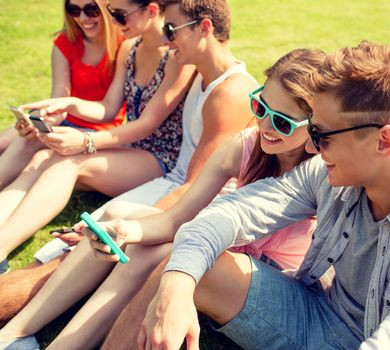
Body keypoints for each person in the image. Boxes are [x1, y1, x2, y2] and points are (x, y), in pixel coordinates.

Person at [122, 41, 390, 350]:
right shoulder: (329, 174)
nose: (313, 147)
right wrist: (175, 285)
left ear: (385, 141)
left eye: (322, 135)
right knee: (186, 265)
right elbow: (224, 217)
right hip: (315, 316)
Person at [0, 48, 324, 350]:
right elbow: (179, 215)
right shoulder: (248, 145)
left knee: (164, 249)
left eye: (282, 121)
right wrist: (123, 230)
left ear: (314, 127)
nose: (265, 125)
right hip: (221, 248)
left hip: (267, 281)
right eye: (260, 106)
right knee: (119, 215)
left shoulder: (324, 171)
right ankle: (15, 333)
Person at [0, 0, 258, 333]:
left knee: (94, 235)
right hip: (171, 179)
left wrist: (132, 225)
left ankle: (19, 328)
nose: (167, 39)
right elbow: (116, 112)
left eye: (171, 29)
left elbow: (193, 185)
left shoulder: (226, 91)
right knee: (78, 226)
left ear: (203, 28)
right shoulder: (193, 67)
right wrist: (70, 106)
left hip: (177, 185)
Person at [0, 0, 196, 273]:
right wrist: (68, 104)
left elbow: (148, 124)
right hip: (133, 147)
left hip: (161, 158)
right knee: (45, 154)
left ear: (152, 10)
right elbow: (108, 108)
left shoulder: (176, 57)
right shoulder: (131, 47)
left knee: (69, 162)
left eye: (118, 15)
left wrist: (85, 142)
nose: (113, 22)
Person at [0, 0, 125, 191]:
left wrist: (68, 106)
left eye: (91, 10)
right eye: (74, 10)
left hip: (100, 133)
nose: (83, 18)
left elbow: (108, 110)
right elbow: (59, 98)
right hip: (65, 121)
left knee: (30, 148)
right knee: (16, 139)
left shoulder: (124, 45)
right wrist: (42, 119)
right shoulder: (66, 42)